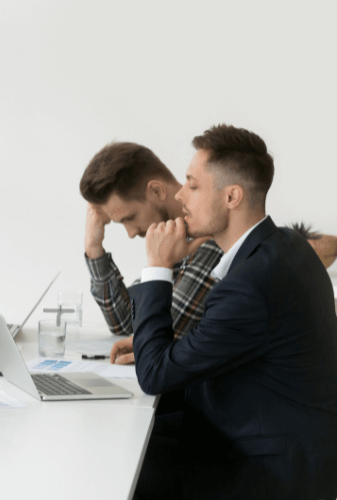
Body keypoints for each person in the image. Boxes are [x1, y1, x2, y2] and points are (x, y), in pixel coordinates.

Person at [130, 124, 337, 499]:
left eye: (193, 186)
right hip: (267, 439)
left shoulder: (251, 284)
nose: (180, 196)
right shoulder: (284, 245)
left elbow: (154, 374)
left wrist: (158, 267)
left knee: (125, 464)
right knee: (131, 437)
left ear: (232, 197)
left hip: (264, 472)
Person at [79, 142, 223, 365]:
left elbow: (155, 338)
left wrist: (158, 265)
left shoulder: (212, 239)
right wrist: (94, 250)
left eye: (129, 218)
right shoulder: (177, 237)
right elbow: (127, 324)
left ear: (156, 191)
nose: (131, 232)